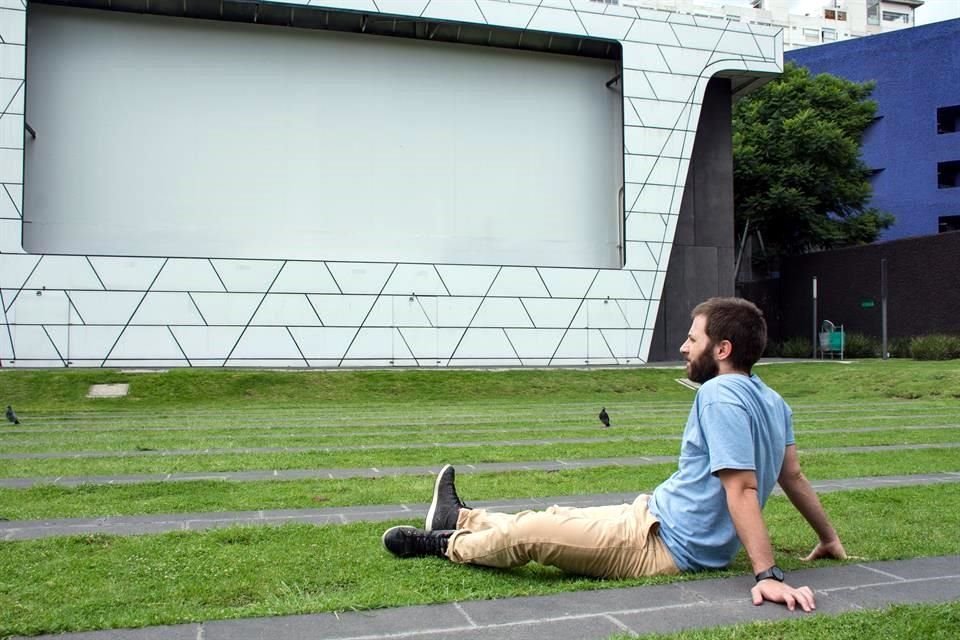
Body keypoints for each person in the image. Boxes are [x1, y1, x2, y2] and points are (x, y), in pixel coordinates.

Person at [382, 297, 847, 612]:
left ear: (722, 349)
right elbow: (795, 477)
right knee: (555, 515)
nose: (683, 347)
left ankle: (441, 544)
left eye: (693, 339)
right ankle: (460, 517)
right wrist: (828, 538)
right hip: (652, 514)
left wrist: (767, 573)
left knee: (534, 533)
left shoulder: (720, 393)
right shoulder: (772, 399)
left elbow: (742, 487)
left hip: (664, 548)